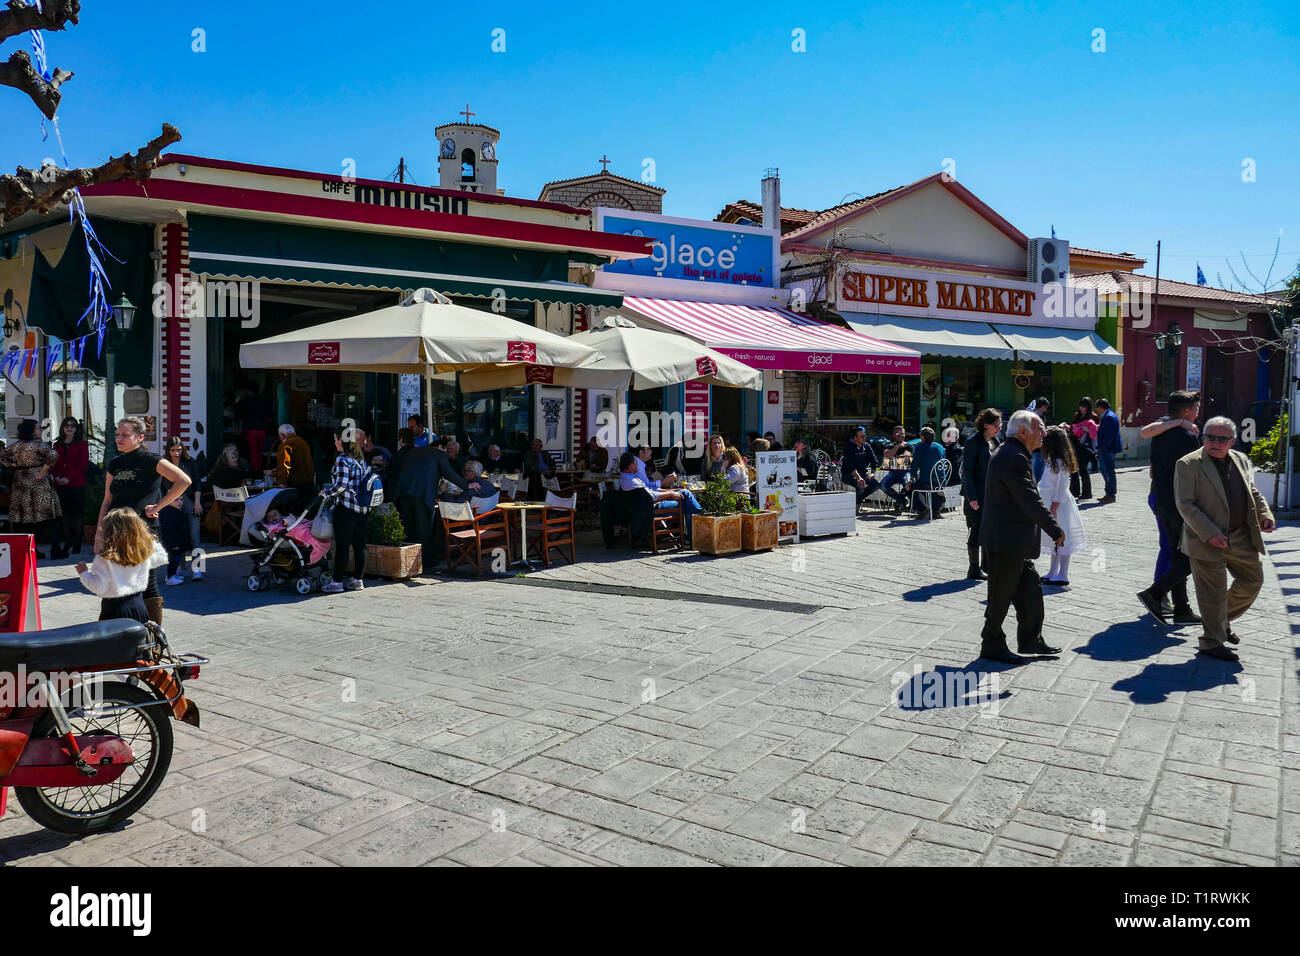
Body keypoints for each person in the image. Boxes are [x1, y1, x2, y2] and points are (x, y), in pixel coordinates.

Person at [1175, 416, 1276, 662]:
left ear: (1232, 440)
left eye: (1222, 439)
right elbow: (1185, 505)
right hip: (1205, 538)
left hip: (1241, 535)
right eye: (1210, 436)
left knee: (1252, 582)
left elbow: (1252, 492)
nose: (1215, 442)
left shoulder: (1240, 459)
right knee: (1212, 593)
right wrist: (1210, 533)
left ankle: (1221, 622)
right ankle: (1211, 642)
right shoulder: (1188, 464)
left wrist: (1265, 514)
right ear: (1203, 437)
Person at [978, 410, 1065, 663]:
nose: (1044, 433)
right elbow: (1029, 499)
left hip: (1013, 541)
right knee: (1000, 598)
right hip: (1006, 542)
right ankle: (992, 643)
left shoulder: (1013, 452)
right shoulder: (1013, 456)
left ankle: (1030, 640)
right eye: (1040, 428)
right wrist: (1055, 529)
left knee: (1031, 592)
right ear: (1024, 431)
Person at [99, 417, 193, 626]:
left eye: (125, 434)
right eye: (117, 434)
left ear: (140, 437)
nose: (119, 438)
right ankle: (116, 634)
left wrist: (159, 505)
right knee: (114, 581)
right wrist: (99, 532)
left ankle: (153, 638)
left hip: (143, 530)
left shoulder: (151, 459)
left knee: (147, 583)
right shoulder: (114, 463)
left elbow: (184, 481)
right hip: (115, 531)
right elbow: (107, 501)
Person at [1136, 390, 1204, 625]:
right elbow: (1195, 475)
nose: (1198, 412)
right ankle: (1155, 593)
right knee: (1197, 554)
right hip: (1180, 503)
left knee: (1178, 554)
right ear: (1185, 411)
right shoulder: (1186, 437)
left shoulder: (1163, 432)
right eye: (1196, 408)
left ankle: (1182, 609)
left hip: (1162, 500)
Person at [75, 508, 167, 624]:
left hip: (114, 610)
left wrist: (84, 573)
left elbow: (99, 586)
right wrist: (149, 538)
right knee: (138, 640)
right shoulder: (141, 554)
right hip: (138, 606)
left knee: (116, 641)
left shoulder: (104, 559)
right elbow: (162, 557)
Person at [395, 442, 477, 565]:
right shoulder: (439, 454)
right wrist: (467, 485)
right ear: (441, 447)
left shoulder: (413, 452)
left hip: (403, 491)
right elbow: (450, 473)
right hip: (422, 493)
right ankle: (425, 561)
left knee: (409, 527)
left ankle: (408, 560)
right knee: (424, 528)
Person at [320, 432, 374, 593]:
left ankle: (337, 582)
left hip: (347, 509)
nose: (335, 443)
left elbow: (341, 485)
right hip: (363, 509)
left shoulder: (342, 460)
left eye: (336, 439)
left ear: (342, 442)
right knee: (359, 545)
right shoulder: (360, 460)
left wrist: (325, 494)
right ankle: (358, 580)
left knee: (342, 546)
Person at [0, 419, 61, 558]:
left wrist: (14, 465)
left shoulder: (16, 445)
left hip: (21, 481)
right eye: (38, 428)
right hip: (38, 481)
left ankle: (29, 550)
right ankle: (54, 549)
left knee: (25, 518)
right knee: (48, 516)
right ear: (32, 431)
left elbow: (2, 456)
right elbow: (54, 455)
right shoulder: (39, 445)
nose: (40, 430)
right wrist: (44, 469)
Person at [617, 451, 702, 546]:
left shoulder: (627, 478)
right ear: (630, 465)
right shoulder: (632, 481)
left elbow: (650, 490)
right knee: (687, 504)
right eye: (636, 463)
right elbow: (652, 496)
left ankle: (694, 537)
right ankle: (698, 532)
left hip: (649, 505)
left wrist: (672, 491)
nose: (637, 464)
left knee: (685, 493)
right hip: (652, 508)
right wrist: (670, 493)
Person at [1037, 426, 1087, 586]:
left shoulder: (1060, 463)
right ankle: (1053, 571)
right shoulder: (1051, 460)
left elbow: (1061, 487)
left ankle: (1063, 573)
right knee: (1053, 539)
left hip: (1058, 505)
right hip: (1049, 502)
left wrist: (1054, 507)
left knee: (1062, 538)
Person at [961, 408, 1001, 580]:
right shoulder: (973, 443)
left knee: (989, 530)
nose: (999, 428)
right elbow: (967, 472)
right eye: (996, 425)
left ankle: (987, 565)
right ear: (986, 425)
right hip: (977, 495)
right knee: (976, 531)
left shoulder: (994, 441)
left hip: (991, 494)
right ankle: (974, 568)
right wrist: (971, 497)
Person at [159, 436, 203, 585]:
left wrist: (197, 502)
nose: (176, 453)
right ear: (168, 450)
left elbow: (197, 483)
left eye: (179, 449)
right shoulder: (165, 464)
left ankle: (198, 568)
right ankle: (180, 567)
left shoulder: (190, 462)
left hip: (189, 500)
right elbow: (161, 487)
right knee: (178, 537)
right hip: (172, 502)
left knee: (194, 536)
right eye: (173, 450)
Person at [49, 416, 89, 559]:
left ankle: (76, 542)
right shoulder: (57, 445)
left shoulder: (82, 444)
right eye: (67, 425)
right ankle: (67, 542)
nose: (70, 428)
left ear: (76, 428)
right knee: (64, 515)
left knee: (76, 515)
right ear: (63, 428)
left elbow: (83, 464)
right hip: (60, 484)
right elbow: (52, 463)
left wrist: (69, 477)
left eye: (72, 426)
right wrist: (57, 476)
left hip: (76, 483)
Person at [273, 423, 316, 511]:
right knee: (306, 514)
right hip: (309, 484)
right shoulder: (303, 442)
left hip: (296, 486)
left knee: (294, 513)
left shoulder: (286, 444)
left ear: (282, 435)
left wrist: (282, 482)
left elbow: (285, 465)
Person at [841, 426, 883, 509]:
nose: (864, 438)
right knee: (860, 484)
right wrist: (859, 477)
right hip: (848, 474)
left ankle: (858, 500)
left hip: (863, 473)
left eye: (865, 436)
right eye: (862, 437)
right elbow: (850, 466)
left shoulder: (866, 445)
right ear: (855, 438)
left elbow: (874, 460)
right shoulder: (849, 447)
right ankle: (857, 506)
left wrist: (872, 473)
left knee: (876, 485)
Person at [909, 427, 947, 518]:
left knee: (909, 489)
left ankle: (922, 510)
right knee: (933, 488)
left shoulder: (920, 447)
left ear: (922, 437)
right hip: (941, 481)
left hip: (928, 482)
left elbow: (914, 465)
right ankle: (936, 510)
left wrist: (911, 478)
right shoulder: (940, 446)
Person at [236, 385, 271, 473]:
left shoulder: (247, 400)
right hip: (262, 429)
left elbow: (240, 413)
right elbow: (268, 413)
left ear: (249, 391)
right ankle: (260, 470)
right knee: (259, 452)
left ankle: (255, 472)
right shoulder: (263, 400)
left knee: (253, 452)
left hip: (251, 429)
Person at [1069, 398, 1098, 500]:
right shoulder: (1077, 415)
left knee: (1083, 469)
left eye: (1084, 406)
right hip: (1075, 444)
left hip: (1086, 446)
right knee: (1073, 469)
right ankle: (1074, 491)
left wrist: (1088, 430)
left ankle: (1087, 493)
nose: (1081, 408)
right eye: (1080, 406)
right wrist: (1068, 427)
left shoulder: (1093, 417)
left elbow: (1095, 432)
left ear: (1088, 406)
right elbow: (1072, 428)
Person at [1095, 398, 1123, 503]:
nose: (1096, 410)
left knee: (1108, 471)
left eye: (1097, 407)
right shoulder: (1110, 415)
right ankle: (1109, 493)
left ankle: (1111, 494)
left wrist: (1103, 447)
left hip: (1107, 449)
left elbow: (1109, 436)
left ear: (1101, 407)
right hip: (1107, 448)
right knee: (1104, 470)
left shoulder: (1109, 417)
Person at [879, 426, 913, 511]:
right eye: (898, 434)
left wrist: (895, 456)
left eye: (903, 434)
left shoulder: (909, 446)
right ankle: (901, 499)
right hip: (893, 472)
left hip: (906, 472)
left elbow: (907, 455)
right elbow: (887, 455)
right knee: (882, 485)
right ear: (893, 435)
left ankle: (902, 500)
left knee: (908, 484)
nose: (901, 436)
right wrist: (897, 446)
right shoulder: (889, 445)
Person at [1027, 398, 1051, 481]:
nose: (1046, 409)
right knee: (1038, 475)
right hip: (1039, 448)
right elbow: (1041, 431)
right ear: (1042, 406)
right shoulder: (1038, 417)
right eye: (1046, 407)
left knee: (1033, 472)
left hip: (1032, 448)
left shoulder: (1030, 415)